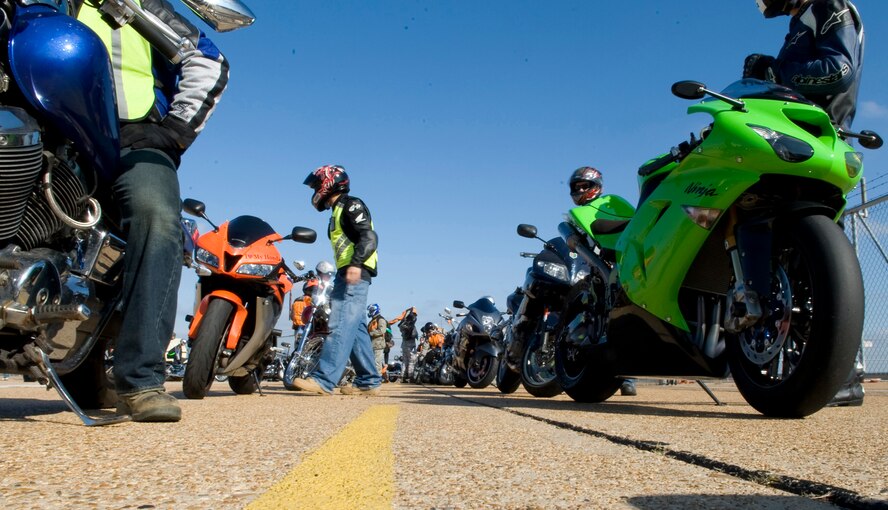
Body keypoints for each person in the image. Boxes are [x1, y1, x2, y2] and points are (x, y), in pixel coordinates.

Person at [76, 1, 229, 421]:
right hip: (46, 124)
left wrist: (174, 131)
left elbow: (207, 60)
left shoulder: (138, 5)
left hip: (131, 137)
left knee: (159, 219)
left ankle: (140, 379)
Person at [744, 0, 865, 405]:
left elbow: (838, 69)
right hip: (795, 138)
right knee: (799, 267)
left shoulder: (828, 6)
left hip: (818, 142)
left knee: (817, 265)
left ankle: (837, 374)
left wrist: (776, 73)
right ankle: (830, 373)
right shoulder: (802, 20)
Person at [293, 165, 382, 396]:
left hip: (355, 272)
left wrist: (356, 263)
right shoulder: (336, 212)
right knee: (356, 326)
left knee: (340, 323)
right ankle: (368, 380)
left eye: (315, 185)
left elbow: (369, 236)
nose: (314, 191)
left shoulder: (351, 205)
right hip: (347, 272)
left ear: (329, 182)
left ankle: (323, 379)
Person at [743, 0, 864, 131]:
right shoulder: (800, 23)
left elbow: (839, 72)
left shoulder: (828, 6)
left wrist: (776, 74)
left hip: (823, 133)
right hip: (795, 131)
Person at [569, 167, 637, 397]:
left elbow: (632, 223)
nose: (580, 190)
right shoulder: (577, 216)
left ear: (596, 186)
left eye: (584, 186)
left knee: (621, 313)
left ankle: (628, 376)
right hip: (591, 273)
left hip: (615, 265)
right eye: (576, 187)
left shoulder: (612, 203)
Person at [389, 306, 419, 383]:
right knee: (412, 361)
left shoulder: (402, 325)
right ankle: (410, 377)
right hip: (411, 345)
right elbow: (414, 335)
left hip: (404, 344)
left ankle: (403, 377)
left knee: (405, 361)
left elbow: (400, 325)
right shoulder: (411, 326)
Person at [367, 304, 389, 375]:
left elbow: (382, 330)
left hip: (378, 345)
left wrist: (371, 333)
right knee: (372, 362)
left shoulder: (381, 319)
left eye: (371, 310)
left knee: (377, 362)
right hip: (372, 344)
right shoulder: (373, 320)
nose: (369, 312)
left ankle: (377, 378)